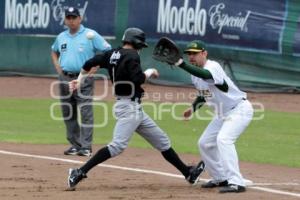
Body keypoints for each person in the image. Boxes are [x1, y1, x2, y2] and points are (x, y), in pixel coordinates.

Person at [67, 28, 205, 189]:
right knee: (117, 146)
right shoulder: (132, 56)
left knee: (162, 141)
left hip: (131, 108)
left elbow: (88, 63)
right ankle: (79, 172)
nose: (141, 49)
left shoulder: (112, 54)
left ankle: (188, 173)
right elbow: (138, 79)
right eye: (141, 45)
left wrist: (79, 80)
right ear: (137, 43)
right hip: (129, 109)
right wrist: (150, 71)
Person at [176, 40, 254, 193]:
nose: (191, 57)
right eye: (189, 54)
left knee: (224, 139)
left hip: (239, 109)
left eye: (195, 53)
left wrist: (181, 64)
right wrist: (192, 109)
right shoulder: (195, 75)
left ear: (204, 53)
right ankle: (220, 177)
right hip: (222, 113)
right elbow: (204, 95)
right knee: (204, 143)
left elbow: (207, 76)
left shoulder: (213, 66)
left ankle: (237, 182)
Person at [51, 7, 111, 156]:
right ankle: (75, 144)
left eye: (74, 17)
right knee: (67, 111)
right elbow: (54, 50)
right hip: (65, 77)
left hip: (83, 78)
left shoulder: (90, 35)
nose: (71, 21)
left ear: (80, 18)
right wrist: (59, 69)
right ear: (65, 20)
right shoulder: (61, 36)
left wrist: (96, 66)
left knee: (85, 112)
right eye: (68, 18)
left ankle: (86, 146)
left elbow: (108, 51)